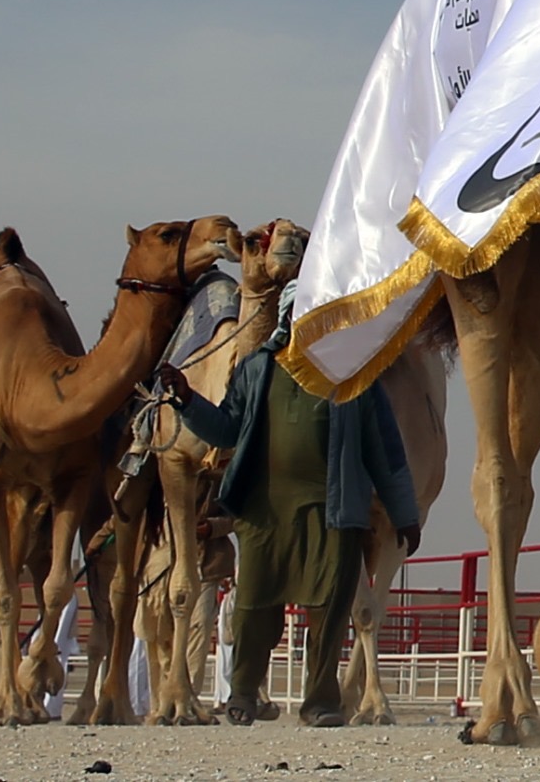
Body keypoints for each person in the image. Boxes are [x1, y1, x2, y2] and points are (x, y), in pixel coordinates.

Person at [157, 284, 420, 727]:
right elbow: (226, 430)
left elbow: (386, 452)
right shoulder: (258, 370)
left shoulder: (354, 376)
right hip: (265, 512)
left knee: (330, 611)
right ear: (285, 318)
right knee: (254, 607)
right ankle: (242, 695)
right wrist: (187, 400)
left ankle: (320, 703)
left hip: (333, 511)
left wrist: (404, 513)